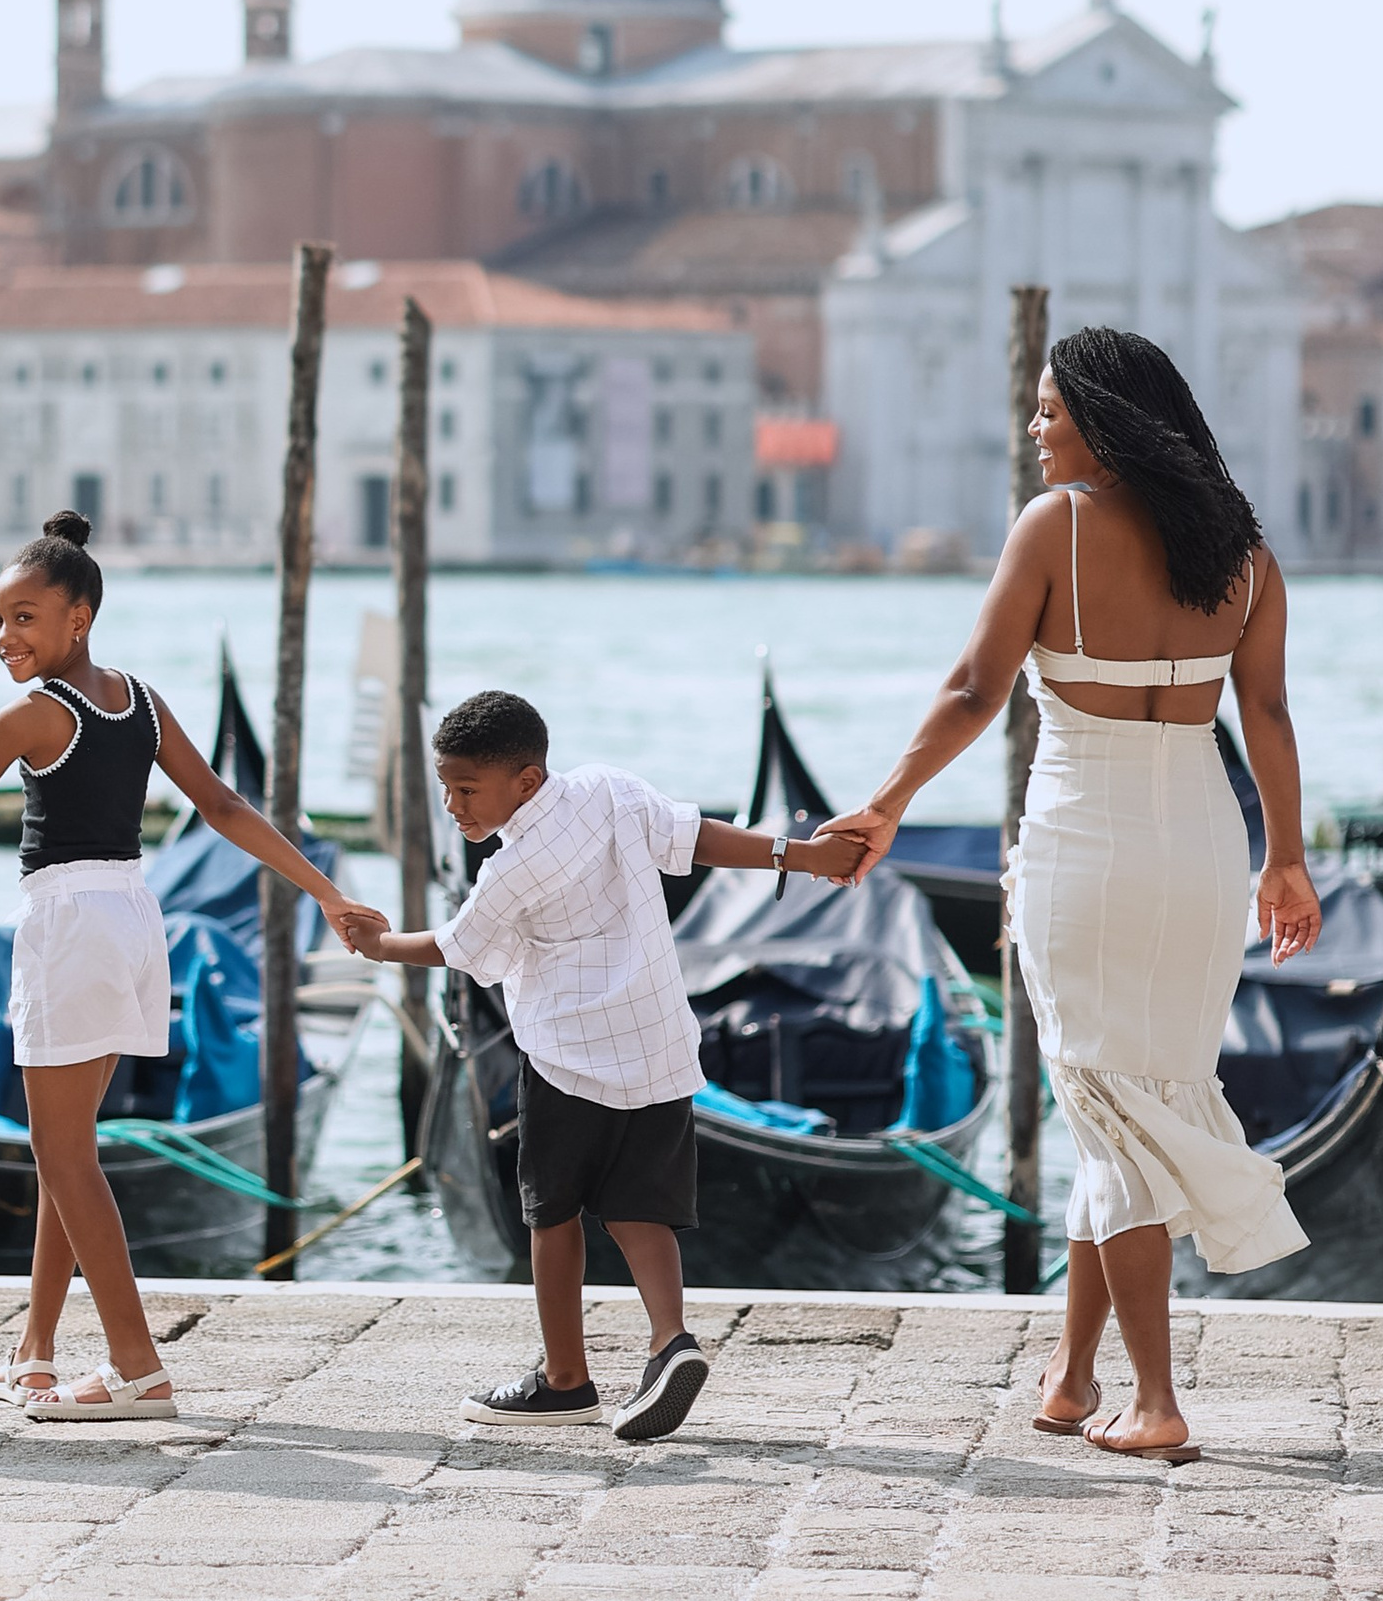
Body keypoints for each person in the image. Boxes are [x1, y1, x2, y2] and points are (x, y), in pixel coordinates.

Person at [829, 326, 1320, 1464]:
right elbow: (1272, 715)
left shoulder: (1054, 527)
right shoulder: (1240, 549)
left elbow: (971, 687)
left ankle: (1153, 1401)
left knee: (1111, 1114)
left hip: (1086, 843)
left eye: (1051, 411)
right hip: (1203, 842)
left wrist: (887, 801)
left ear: (1106, 419)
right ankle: (1070, 1377)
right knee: (1132, 1102)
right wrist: (1283, 857)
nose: (1035, 428)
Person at [0, 512, 387, 1424]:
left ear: (80, 617)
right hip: (136, 921)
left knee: (62, 1154)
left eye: (25, 618)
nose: (5, 637)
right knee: (71, 1155)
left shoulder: (39, 714)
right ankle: (35, 1353)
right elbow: (222, 804)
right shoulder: (138, 701)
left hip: (69, 923)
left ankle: (138, 1365)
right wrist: (324, 891)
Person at [339, 688, 861, 1443]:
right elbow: (700, 839)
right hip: (657, 1045)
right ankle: (669, 1339)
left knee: (552, 1217)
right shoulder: (609, 791)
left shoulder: (510, 869)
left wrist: (379, 945)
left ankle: (564, 1380)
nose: (452, 805)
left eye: (465, 789)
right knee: (640, 1209)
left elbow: (458, 947)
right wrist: (800, 855)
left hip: (567, 1061)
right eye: (446, 788)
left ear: (523, 782)